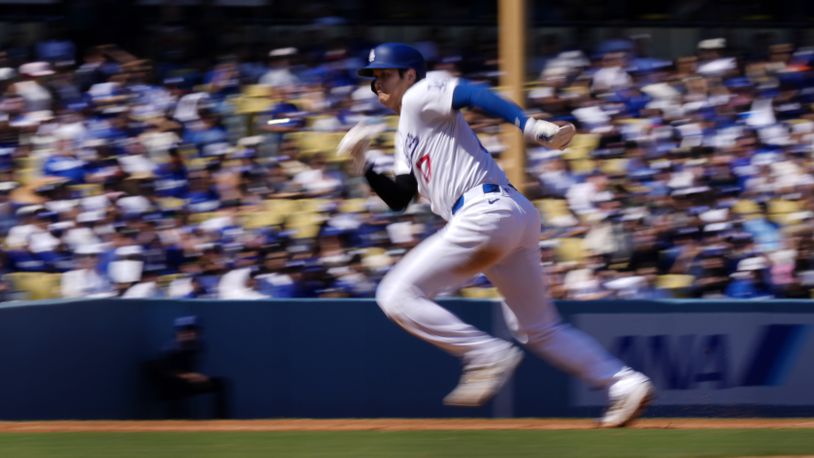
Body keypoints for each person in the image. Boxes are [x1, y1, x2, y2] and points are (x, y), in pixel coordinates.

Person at [341, 43, 653, 427]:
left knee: (395, 295)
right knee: (538, 328)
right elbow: (401, 198)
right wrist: (366, 167)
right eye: (374, 80)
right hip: (510, 215)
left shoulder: (421, 92)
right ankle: (624, 384)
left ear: (409, 75)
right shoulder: (407, 130)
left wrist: (527, 123)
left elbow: (472, 94)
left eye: (385, 75)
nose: (378, 86)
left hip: (482, 212)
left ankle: (484, 354)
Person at [148, 316, 230, 419]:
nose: (189, 333)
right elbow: (166, 373)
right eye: (185, 331)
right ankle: (175, 422)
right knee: (175, 384)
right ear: (178, 333)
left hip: (188, 384)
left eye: (192, 330)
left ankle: (222, 421)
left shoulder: (197, 346)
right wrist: (189, 376)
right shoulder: (170, 349)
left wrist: (196, 377)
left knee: (221, 383)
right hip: (169, 387)